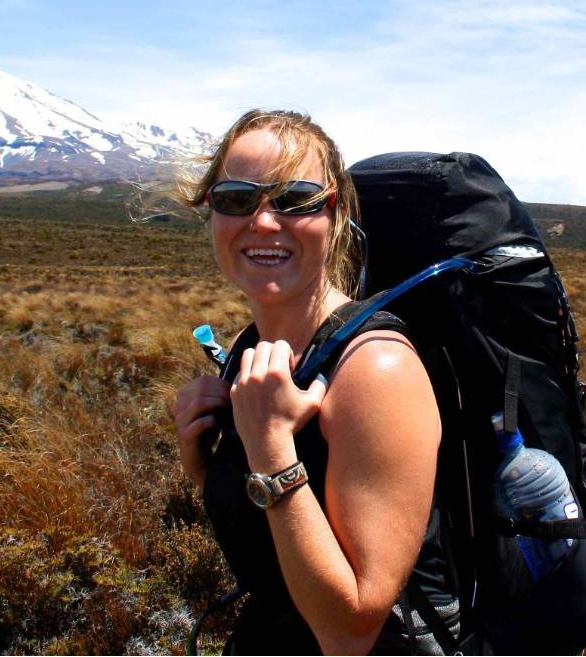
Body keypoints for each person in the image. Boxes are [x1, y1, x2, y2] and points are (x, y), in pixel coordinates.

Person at [170, 110, 454, 655]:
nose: (263, 222)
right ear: (211, 212)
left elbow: (350, 633)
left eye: (294, 199)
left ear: (335, 212)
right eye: (236, 198)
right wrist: (203, 462)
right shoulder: (252, 350)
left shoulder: (375, 369)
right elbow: (264, 538)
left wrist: (270, 446)